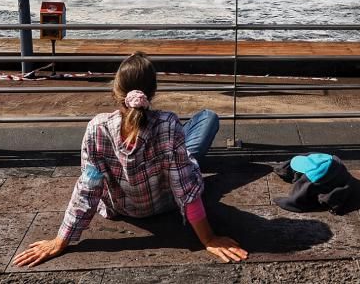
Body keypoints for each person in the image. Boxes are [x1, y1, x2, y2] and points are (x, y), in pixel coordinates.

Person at [13, 52, 248, 267]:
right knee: (207, 118)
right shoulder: (168, 124)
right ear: (153, 92)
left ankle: (177, 148)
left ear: (116, 92)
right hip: (165, 203)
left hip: (121, 208)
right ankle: (181, 147)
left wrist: (60, 240)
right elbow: (185, 188)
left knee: (179, 144)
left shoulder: (97, 128)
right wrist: (208, 238)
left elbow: (87, 188)